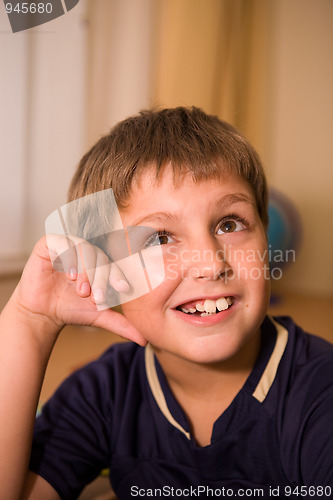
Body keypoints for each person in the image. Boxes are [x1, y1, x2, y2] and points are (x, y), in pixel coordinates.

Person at [0, 107, 332, 500]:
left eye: (230, 224)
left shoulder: (319, 391)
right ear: (103, 271)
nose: (211, 263)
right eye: (159, 238)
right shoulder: (104, 391)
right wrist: (30, 322)